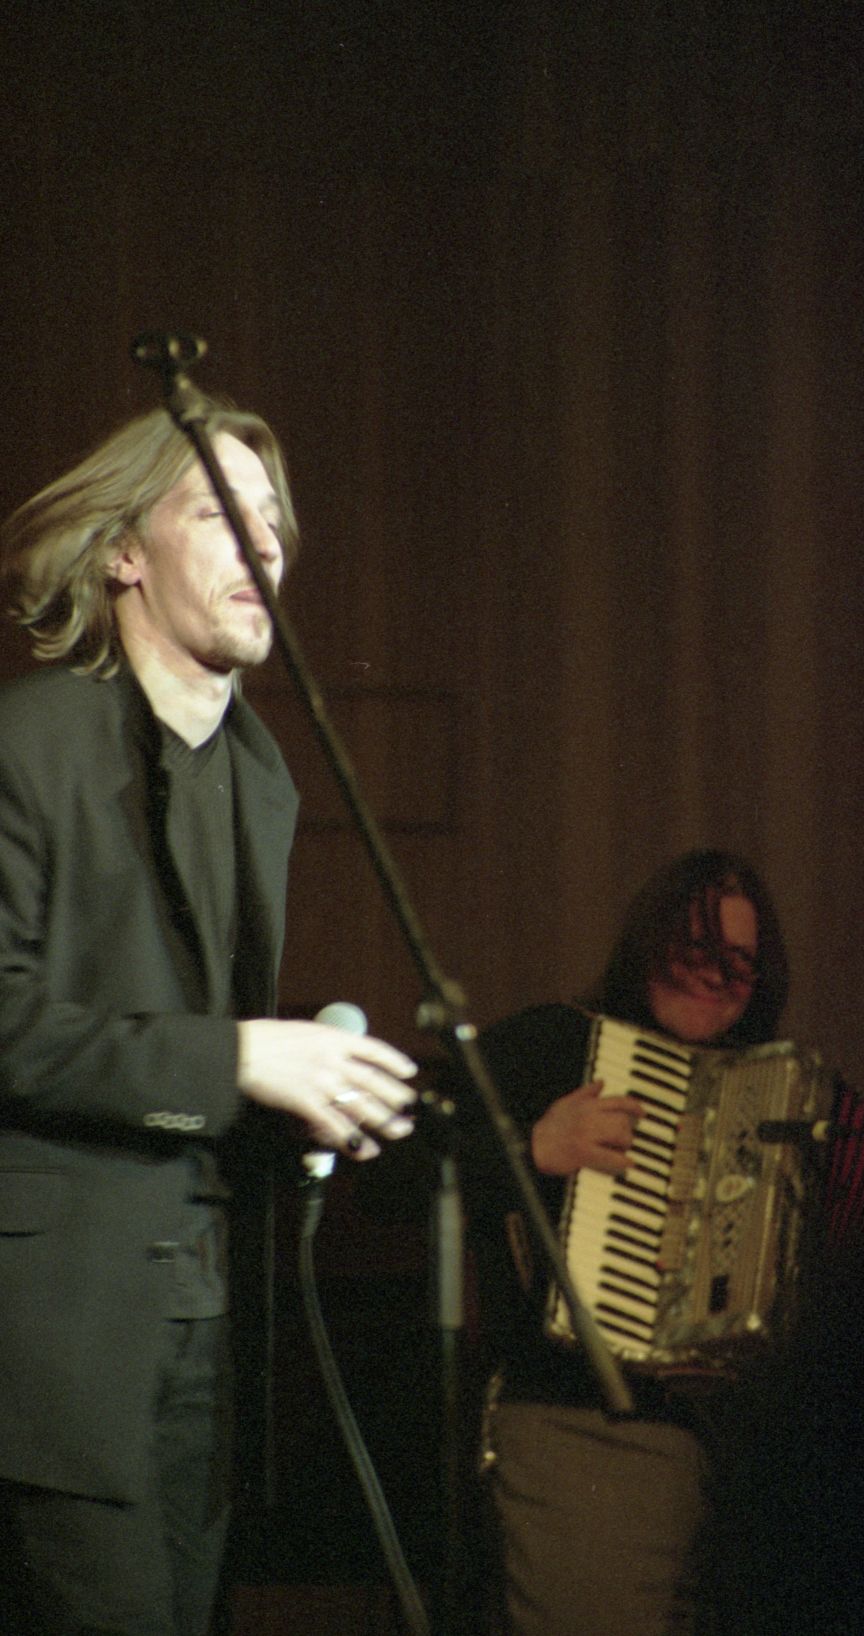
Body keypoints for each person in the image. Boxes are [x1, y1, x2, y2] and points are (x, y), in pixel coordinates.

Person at [0, 399, 418, 1636]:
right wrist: (238, 1057)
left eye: (274, 519)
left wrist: (305, 1095)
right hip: (54, 1332)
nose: (265, 543)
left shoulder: (258, 771)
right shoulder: (29, 741)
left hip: (209, 1323)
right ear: (125, 550)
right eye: (220, 513)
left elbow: (187, 1037)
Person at [459, 849, 790, 1636]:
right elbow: (390, 1178)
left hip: (735, 1458)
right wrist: (532, 1151)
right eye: (694, 947)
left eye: (740, 961)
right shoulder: (549, 1044)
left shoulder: (774, 1098)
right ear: (645, 945)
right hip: (584, 1434)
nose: (714, 974)